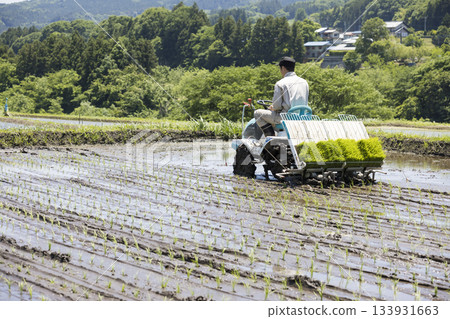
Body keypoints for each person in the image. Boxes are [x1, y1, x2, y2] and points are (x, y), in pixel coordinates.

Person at [254, 56, 309, 136]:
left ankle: (269, 138)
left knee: (257, 113)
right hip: (302, 117)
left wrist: (273, 107)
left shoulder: (280, 83)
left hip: (286, 117)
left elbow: (277, 106)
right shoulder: (304, 82)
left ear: (283, 68)